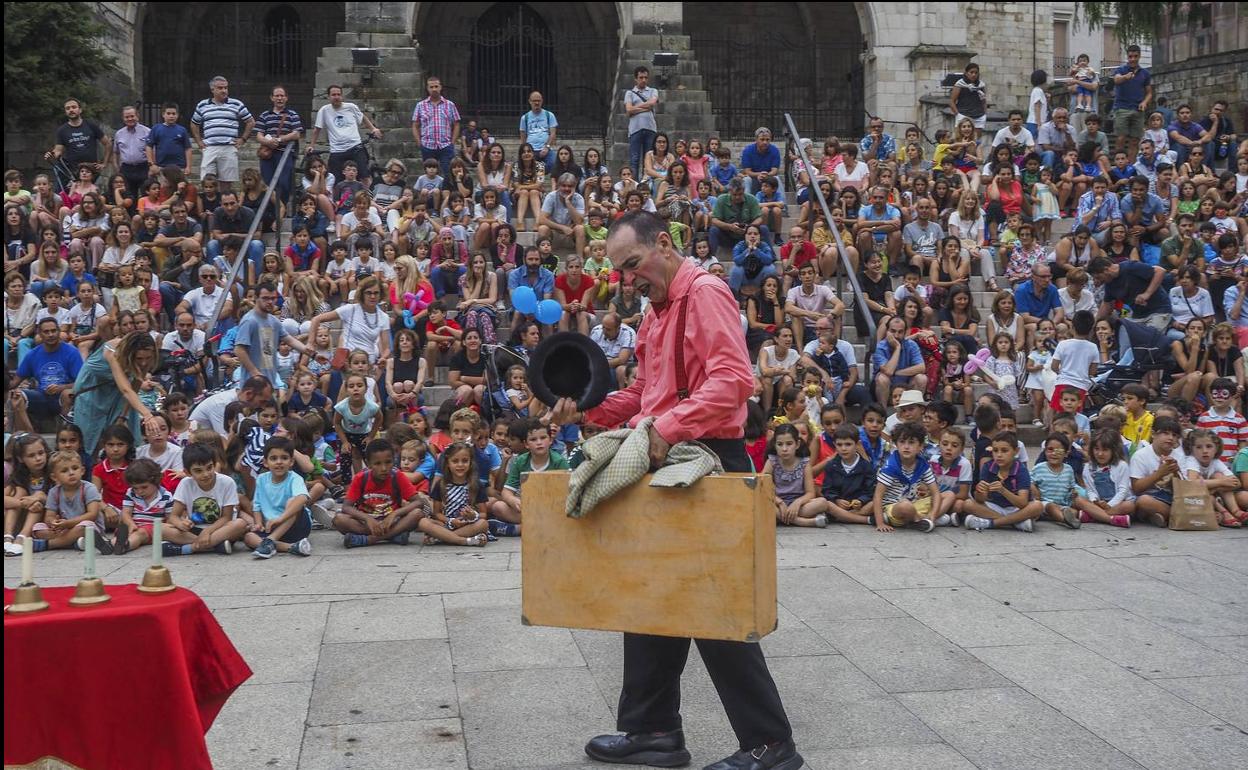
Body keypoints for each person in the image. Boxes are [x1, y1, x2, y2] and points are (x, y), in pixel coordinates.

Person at [548, 211, 799, 769]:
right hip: (676, 454)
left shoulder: (704, 292)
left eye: (633, 265)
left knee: (712, 606)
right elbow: (645, 396)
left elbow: (734, 382)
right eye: (619, 271)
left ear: (665, 244)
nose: (627, 279)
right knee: (650, 593)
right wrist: (588, 408)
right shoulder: (657, 312)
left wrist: (665, 428)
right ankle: (651, 731)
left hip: (708, 457)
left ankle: (771, 745)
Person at [334, 438, 425, 548]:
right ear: (368, 464)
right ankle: (393, 536)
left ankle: (369, 540)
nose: (384, 468)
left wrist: (395, 514)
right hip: (367, 524)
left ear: (394, 460)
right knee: (339, 520)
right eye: (377, 463)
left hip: (392, 522)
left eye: (388, 462)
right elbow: (346, 507)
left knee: (417, 513)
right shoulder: (361, 478)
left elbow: (418, 502)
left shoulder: (397, 476)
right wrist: (367, 519)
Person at [307, 85, 385, 188]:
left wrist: (373, 129)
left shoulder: (351, 107)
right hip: (337, 150)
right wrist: (311, 145)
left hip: (355, 147)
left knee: (364, 175)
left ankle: (370, 200)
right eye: (333, 95)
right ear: (329, 97)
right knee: (335, 179)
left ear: (342, 96)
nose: (336, 97)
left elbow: (362, 118)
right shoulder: (324, 110)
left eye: (338, 94)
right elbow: (317, 129)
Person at [190, 76, 254, 193]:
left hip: (228, 147)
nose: (224, 90)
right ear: (212, 89)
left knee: (226, 184)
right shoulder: (203, 105)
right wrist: (199, 141)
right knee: (207, 181)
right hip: (210, 148)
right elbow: (194, 123)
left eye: (225, 88)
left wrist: (243, 139)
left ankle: (223, 207)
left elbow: (250, 121)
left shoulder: (236, 104)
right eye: (220, 88)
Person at [15, 318, 83, 419]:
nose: (51, 335)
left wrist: (61, 388)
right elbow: (15, 381)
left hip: (64, 399)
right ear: (40, 334)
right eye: (46, 332)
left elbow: (82, 383)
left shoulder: (72, 353)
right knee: (17, 396)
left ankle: (65, 429)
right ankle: (26, 433)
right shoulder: (33, 354)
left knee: (67, 394)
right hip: (41, 397)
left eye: (53, 331)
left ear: (59, 332)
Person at [44, 98, 110, 192]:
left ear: (80, 110)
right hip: (71, 171)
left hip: (90, 170)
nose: (71, 110)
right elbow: (58, 150)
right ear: (65, 112)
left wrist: (104, 163)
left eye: (74, 107)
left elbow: (107, 143)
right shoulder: (62, 130)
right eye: (68, 108)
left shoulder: (91, 125)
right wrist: (51, 154)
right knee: (66, 195)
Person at [254, 85, 304, 209]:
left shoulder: (292, 114)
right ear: (272, 98)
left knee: (283, 182)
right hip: (268, 155)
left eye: (282, 96)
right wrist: (267, 142)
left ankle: (282, 208)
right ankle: (273, 210)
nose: (279, 98)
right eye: (277, 95)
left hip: (285, 153)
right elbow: (258, 135)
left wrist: (280, 139)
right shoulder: (265, 115)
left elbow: (296, 134)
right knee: (268, 183)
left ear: (286, 98)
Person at [411, 75, 461, 178]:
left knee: (448, 174)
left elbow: (456, 124)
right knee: (430, 176)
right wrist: (419, 143)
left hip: (445, 146)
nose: (434, 89)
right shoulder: (420, 105)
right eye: (431, 87)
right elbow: (415, 125)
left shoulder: (450, 105)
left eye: (436, 86)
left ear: (440, 87)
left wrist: (452, 142)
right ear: (427, 88)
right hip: (427, 146)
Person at [1110, 45, 1152, 161]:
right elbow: (1116, 80)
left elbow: (1149, 93)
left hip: (1138, 109)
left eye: (1135, 56)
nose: (1132, 59)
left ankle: (1131, 165)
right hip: (1122, 107)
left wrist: (1144, 102)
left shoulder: (1145, 73)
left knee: (1135, 140)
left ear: (1139, 56)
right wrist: (1125, 77)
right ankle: (1119, 163)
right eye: (1130, 56)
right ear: (1127, 57)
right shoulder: (1121, 70)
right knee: (1121, 138)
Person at [106, 106, 151, 202]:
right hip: (126, 169)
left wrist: (152, 166)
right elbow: (115, 152)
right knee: (128, 196)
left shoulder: (147, 132)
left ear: (137, 116)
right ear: (123, 118)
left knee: (146, 195)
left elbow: (152, 150)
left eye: (132, 116)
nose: (130, 119)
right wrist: (116, 168)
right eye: (127, 117)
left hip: (144, 167)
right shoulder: (119, 134)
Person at [624, 66, 658, 180]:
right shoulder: (629, 93)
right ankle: (634, 183)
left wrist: (635, 108)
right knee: (634, 159)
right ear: (636, 79)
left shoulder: (653, 91)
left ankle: (646, 183)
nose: (643, 80)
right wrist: (644, 108)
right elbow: (628, 110)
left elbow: (652, 103)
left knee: (649, 159)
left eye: (645, 77)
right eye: (641, 77)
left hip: (650, 129)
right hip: (635, 129)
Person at [591, 312, 636, 390]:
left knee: (621, 370)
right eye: (603, 327)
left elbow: (622, 360)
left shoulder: (628, 333)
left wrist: (600, 364)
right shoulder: (596, 330)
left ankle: (621, 397)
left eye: (608, 329)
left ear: (618, 328)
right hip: (599, 366)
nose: (604, 331)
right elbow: (590, 353)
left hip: (618, 367)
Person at [740, 127, 781, 196]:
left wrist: (766, 175)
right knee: (746, 180)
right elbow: (747, 171)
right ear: (756, 139)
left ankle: (782, 204)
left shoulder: (774, 150)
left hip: (769, 177)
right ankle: (746, 204)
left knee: (776, 178)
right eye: (762, 139)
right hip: (753, 178)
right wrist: (759, 174)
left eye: (767, 140)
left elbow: (775, 170)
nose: (765, 142)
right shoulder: (748, 150)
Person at [518, 91, 557, 164]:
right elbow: (523, 136)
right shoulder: (524, 118)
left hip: (546, 149)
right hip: (530, 150)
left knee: (553, 163)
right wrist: (525, 150)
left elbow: (553, 134)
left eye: (538, 101)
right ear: (530, 101)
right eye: (534, 101)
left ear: (542, 101)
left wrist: (547, 147)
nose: (536, 103)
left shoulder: (549, 115)